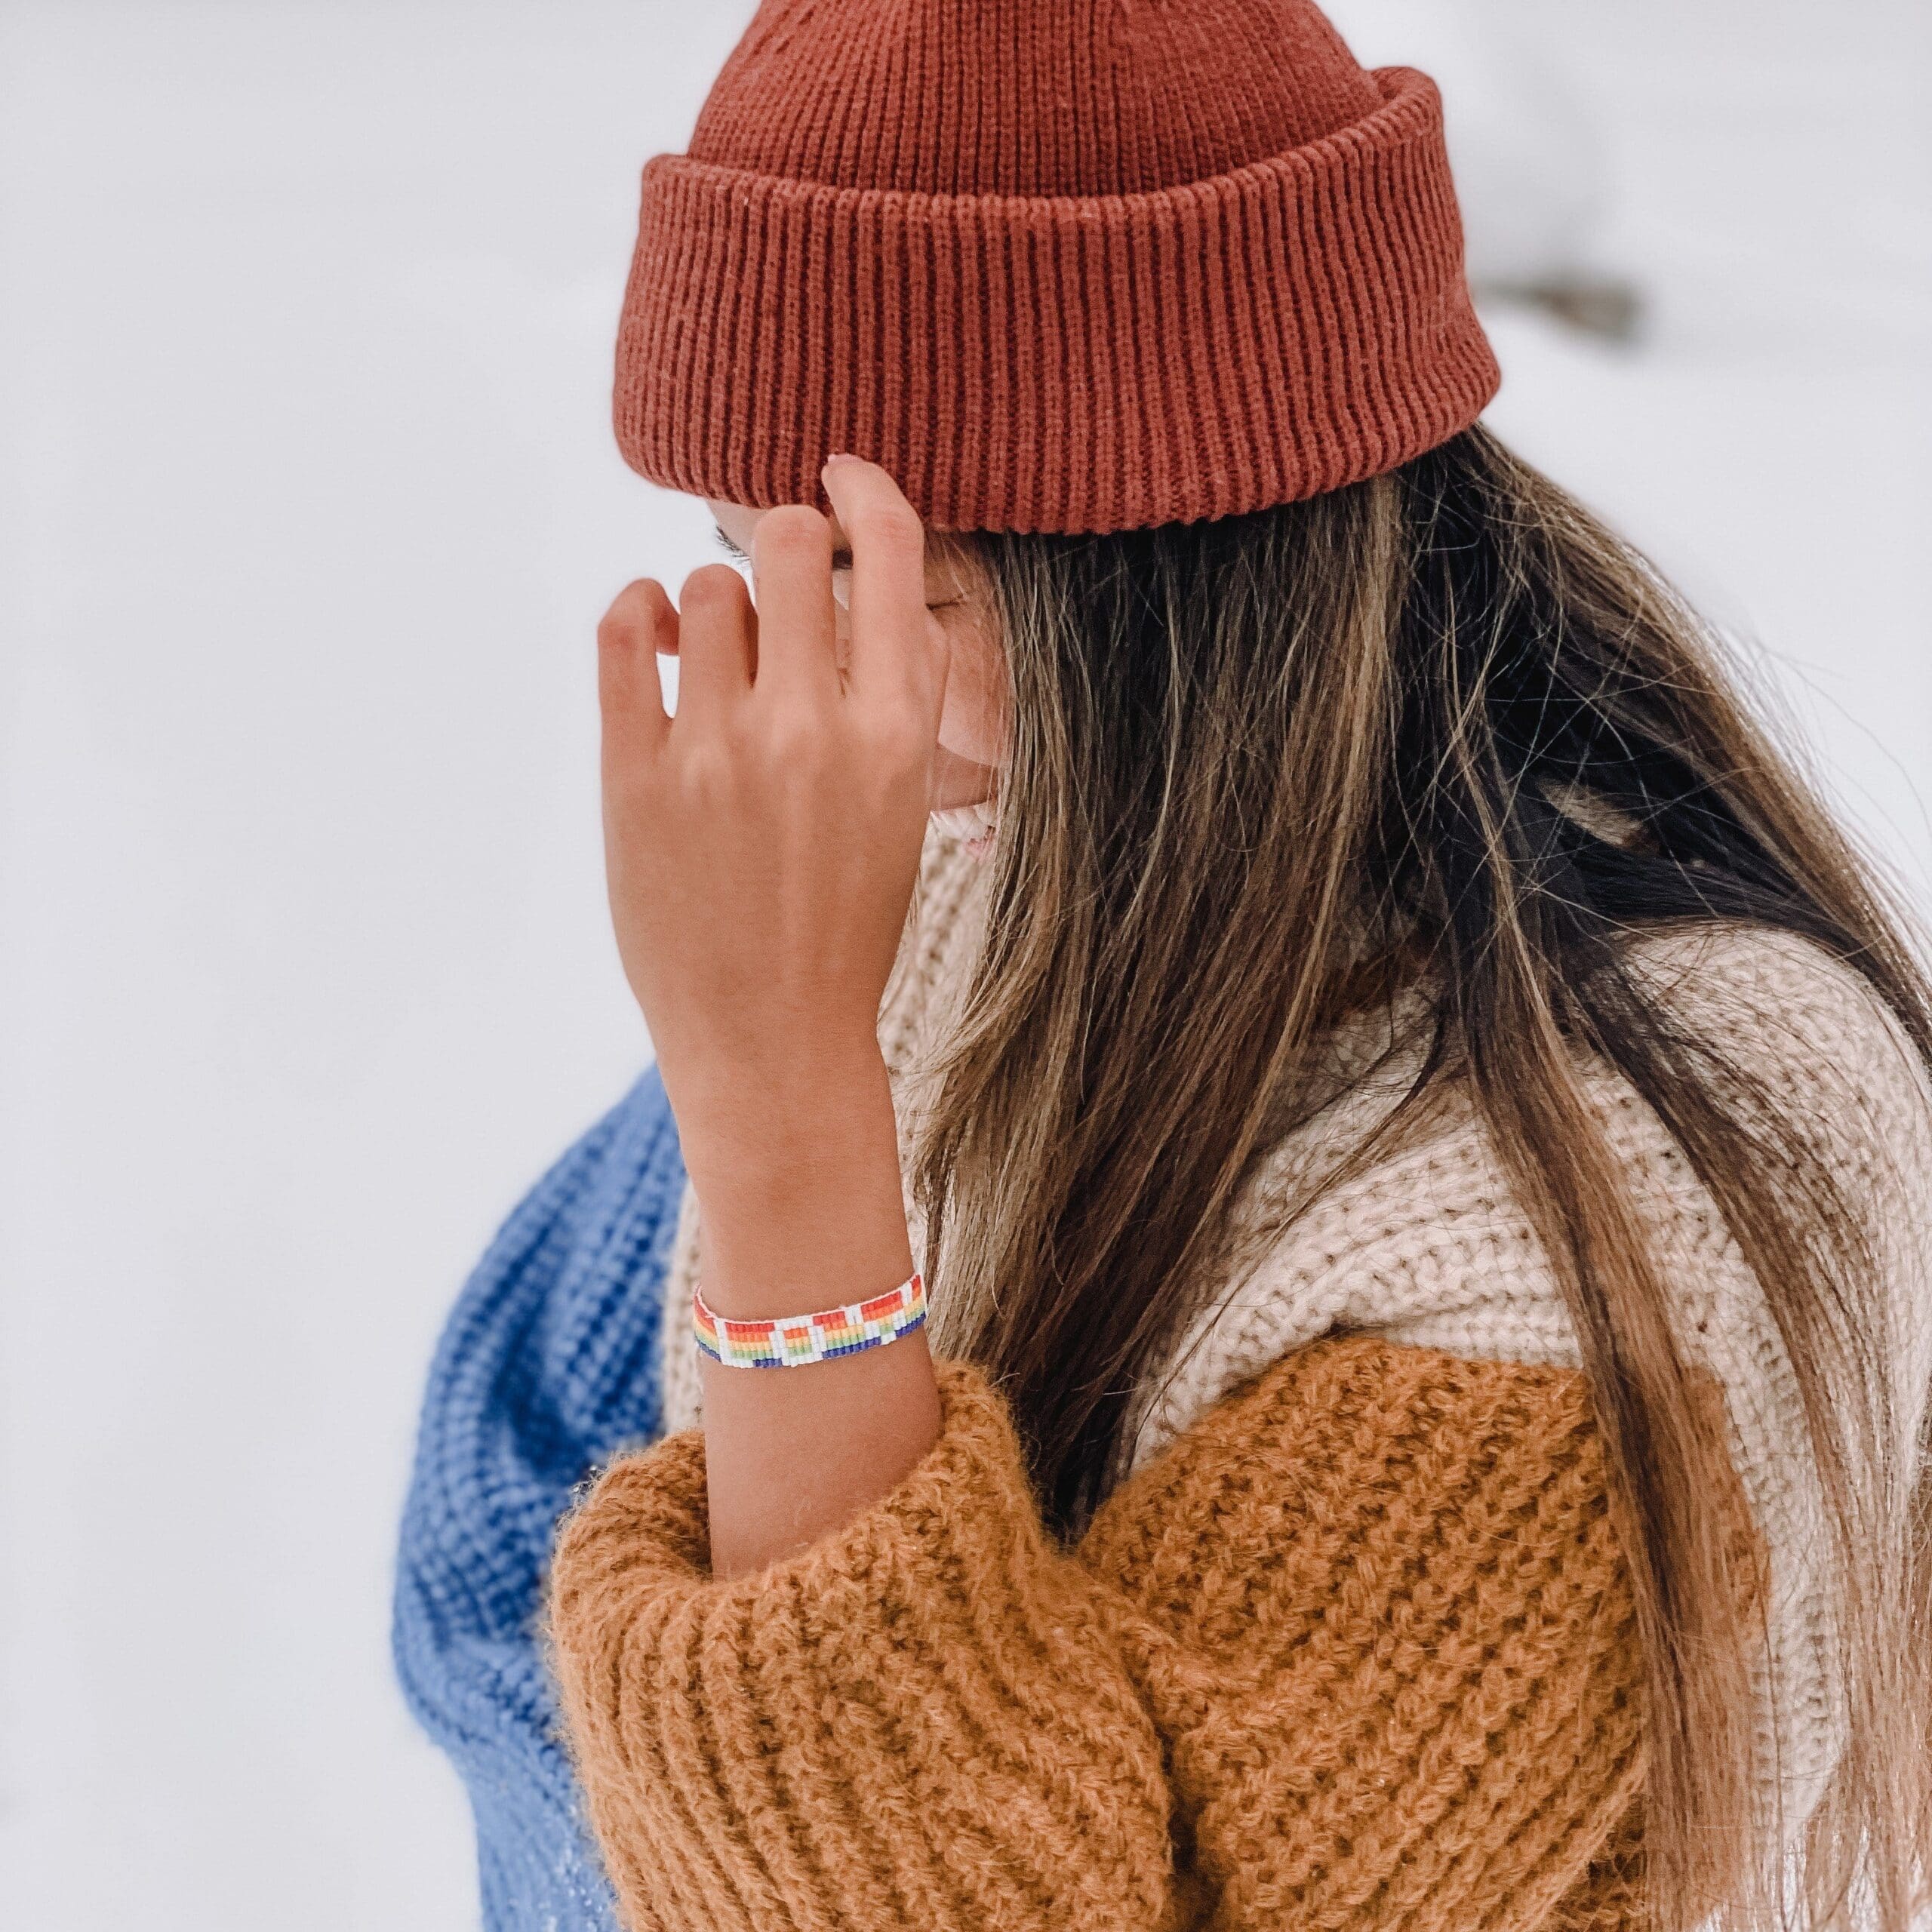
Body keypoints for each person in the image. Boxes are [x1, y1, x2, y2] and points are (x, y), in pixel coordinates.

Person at [392, 5, 1932, 1930]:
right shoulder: (977, 883)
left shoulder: (1620, 1211)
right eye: (748, 564)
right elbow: (489, 1539)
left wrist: (785, 1130)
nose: (807, 716)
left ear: (1184, 573)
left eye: (890, 591)